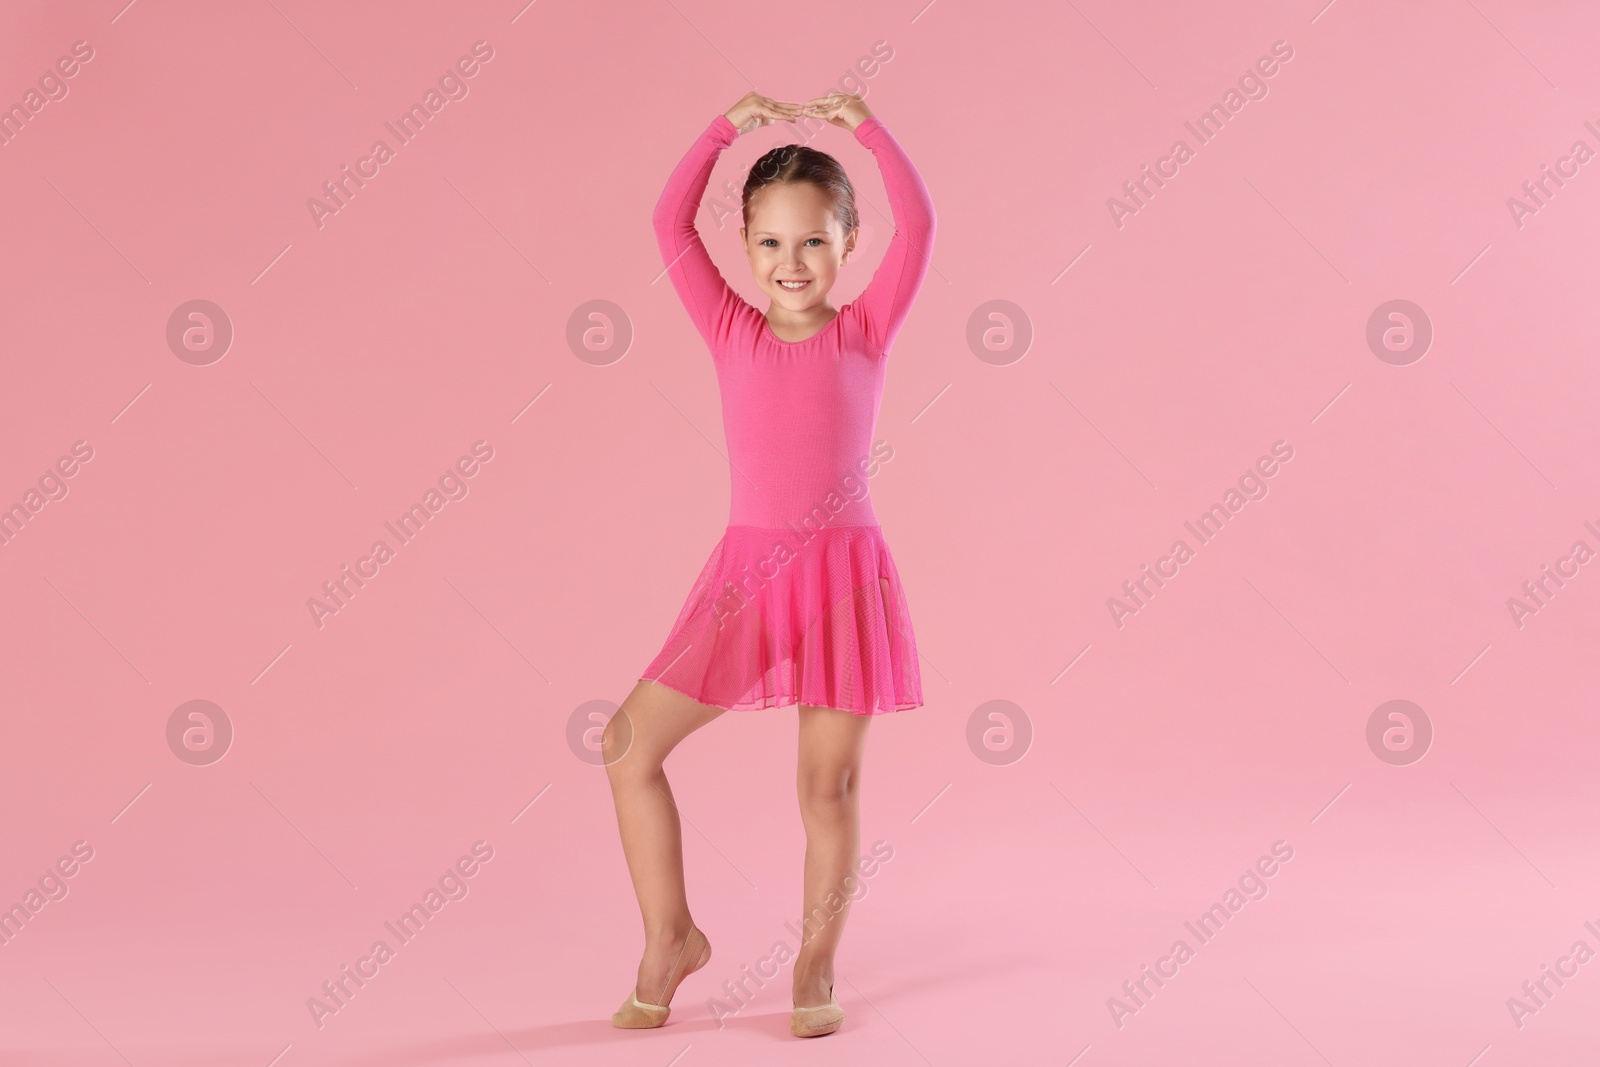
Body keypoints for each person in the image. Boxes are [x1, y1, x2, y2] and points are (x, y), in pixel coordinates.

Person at [605, 88, 936, 1039]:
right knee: (627, 747)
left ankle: (815, 962)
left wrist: (868, 126)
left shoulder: (865, 330)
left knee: (825, 787)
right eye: (770, 244)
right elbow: (667, 220)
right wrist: (720, 130)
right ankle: (671, 937)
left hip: (844, 583)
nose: (792, 264)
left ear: (848, 243)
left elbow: (924, 220)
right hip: (748, 583)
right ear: (744, 247)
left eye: (814, 243)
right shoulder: (730, 328)